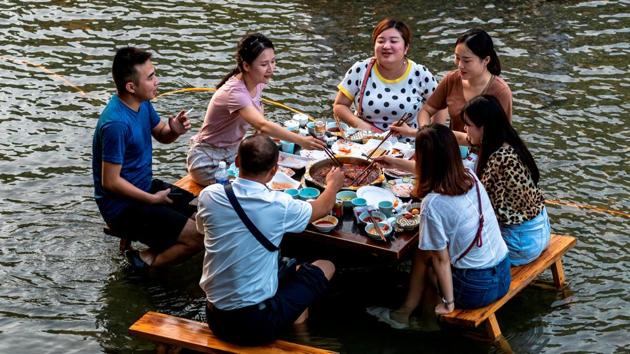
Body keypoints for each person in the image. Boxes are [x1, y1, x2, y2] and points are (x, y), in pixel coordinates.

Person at [197, 134, 345, 345]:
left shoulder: (210, 195)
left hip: (215, 316)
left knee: (292, 270)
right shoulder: (279, 205)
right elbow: (321, 209)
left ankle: (296, 324)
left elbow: (204, 231)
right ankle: (302, 340)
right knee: (325, 265)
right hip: (255, 325)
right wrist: (333, 185)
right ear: (274, 170)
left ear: (237, 161)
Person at [366, 124, 510, 329]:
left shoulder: (433, 204)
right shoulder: (470, 175)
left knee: (430, 264)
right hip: (502, 275)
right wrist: (393, 163)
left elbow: (441, 260)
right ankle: (411, 315)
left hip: (477, 288)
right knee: (423, 252)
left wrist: (449, 304)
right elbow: (433, 171)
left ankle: (420, 321)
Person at [92, 47, 203, 269]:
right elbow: (110, 182)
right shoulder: (116, 123)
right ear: (131, 86)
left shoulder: (141, 103)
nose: (157, 82)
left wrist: (175, 130)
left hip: (144, 187)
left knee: (205, 213)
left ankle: (151, 246)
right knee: (198, 238)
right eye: (151, 77)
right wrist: (152, 200)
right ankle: (144, 266)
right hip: (122, 207)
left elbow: (162, 133)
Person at [187, 33, 325, 186]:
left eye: (273, 62)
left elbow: (260, 125)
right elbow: (262, 125)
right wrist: (300, 140)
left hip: (233, 155)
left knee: (277, 173)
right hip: (208, 162)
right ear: (246, 66)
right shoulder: (235, 92)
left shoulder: (257, 82)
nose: (271, 69)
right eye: (264, 64)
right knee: (258, 186)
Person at [462, 95, 550, 266]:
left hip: (520, 244)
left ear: (484, 128)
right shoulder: (508, 143)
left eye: (468, 125)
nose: (465, 129)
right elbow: (465, 139)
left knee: (453, 250)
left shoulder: (499, 158)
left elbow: (477, 203)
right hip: (539, 231)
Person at [391, 28, 512, 145]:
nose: (460, 65)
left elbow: (500, 138)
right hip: (453, 152)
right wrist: (425, 131)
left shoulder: (500, 91)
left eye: (466, 61)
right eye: (457, 58)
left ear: (486, 60)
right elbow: (426, 110)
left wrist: (417, 133)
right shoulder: (452, 79)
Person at [333, 18, 438, 143]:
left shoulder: (420, 73)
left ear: (406, 47)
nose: (386, 46)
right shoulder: (361, 69)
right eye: (381, 41)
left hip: (407, 145)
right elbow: (339, 105)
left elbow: (440, 105)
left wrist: (431, 135)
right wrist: (364, 127)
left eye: (393, 41)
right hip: (366, 141)